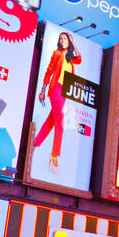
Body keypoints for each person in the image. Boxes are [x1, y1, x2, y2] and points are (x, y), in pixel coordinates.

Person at [33, 31, 82, 174]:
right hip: (55, 90)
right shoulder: (57, 53)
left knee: (52, 121)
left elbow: (79, 59)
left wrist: (72, 42)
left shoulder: (70, 58)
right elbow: (49, 71)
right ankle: (54, 156)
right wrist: (43, 89)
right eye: (61, 38)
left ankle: (35, 143)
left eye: (65, 38)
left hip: (64, 92)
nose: (62, 40)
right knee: (60, 123)